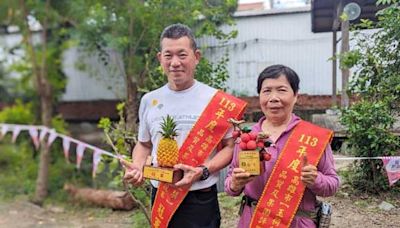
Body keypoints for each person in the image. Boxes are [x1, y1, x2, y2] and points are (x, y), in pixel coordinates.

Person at [122, 23, 246, 227]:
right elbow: (144, 144)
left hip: (200, 198)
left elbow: (231, 147)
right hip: (161, 194)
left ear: (196, 57)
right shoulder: (149, 100)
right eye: (168, 55)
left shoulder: (216, 101)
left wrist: (204, 170)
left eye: (182, 54)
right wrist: (137, 166)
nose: (175, 63)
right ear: (159, 58)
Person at [224, 64, 339, 228]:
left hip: (297, 223)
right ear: (259, 96)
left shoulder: (313, 137)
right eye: (267, 91)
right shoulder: (247, 136)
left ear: (295, 95)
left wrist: (315, 180)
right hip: (253, 221)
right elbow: (230, 184)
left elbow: (332, 184)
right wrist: (235, 184)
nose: (273, 98)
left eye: (282, 90)